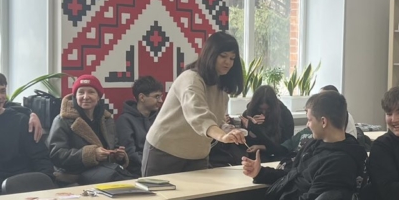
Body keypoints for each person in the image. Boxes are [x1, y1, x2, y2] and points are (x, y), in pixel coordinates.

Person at [236, 91, 367, 200]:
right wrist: (260, 172)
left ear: (323, 122)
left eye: (309, 120)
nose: (307, 125)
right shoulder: (314, 144)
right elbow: (292, 173)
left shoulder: (340, 163)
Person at [142, 31, 247, 175]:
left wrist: (228, 130)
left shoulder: (221, 86)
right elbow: (198, 115)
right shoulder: (191, 79)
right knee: (160, 191)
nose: (228, 62)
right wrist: (222, 136)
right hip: (165, 151)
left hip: (198, 155)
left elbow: (216, 120)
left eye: (232, 58)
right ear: (210, 54)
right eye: (223, 56)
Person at [0, 71, 54, 191]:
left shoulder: (21, 121)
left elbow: (40, 158)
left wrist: (46, 185)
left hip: (23, 185)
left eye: (2, 91)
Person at [48, 75, 130, 184]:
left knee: (130, 180)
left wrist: (117, 155)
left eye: (91, 92)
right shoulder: (62, 120)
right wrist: (91, 154)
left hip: (105, 170)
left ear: (98, 97)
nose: (86, 97)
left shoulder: (107, 119)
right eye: (81, 92)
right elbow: (56, 155)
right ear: (75, 96)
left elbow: (113, 145)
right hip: (74, 175)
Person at [116, 76, 163, 176]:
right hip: (138, 171)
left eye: (161, 97)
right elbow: (130, 153)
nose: (161, 101)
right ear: (142, 97)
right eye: (156, 97)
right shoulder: (125, 120)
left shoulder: (160, 118)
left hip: (161, 167)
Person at [240, 85, 295, 160]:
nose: (264, 113)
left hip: (279, 154)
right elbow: (245, 144)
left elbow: (285, 146)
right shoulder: (248, 114)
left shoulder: (285, 115)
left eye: (268, 110)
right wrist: (251, 129)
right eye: (260, 109)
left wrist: (261, 145)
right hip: (256, 155)